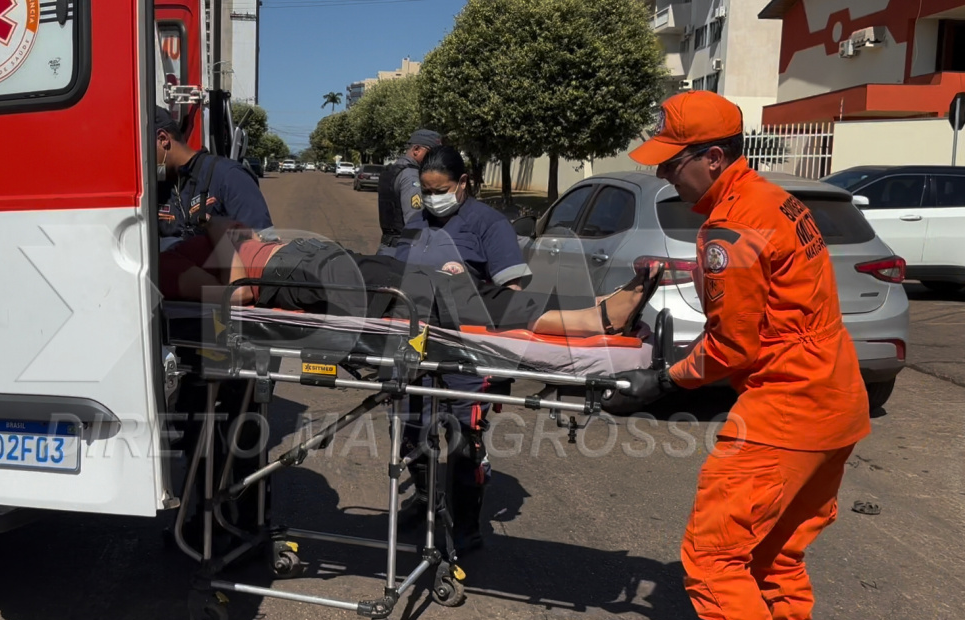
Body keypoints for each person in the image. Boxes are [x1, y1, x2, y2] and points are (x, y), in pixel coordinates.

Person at [611, 91, 871, 620]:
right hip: (836, 403)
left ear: (714, 157)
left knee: (709, 560)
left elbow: (733, 348)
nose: (662, 174)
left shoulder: (730, 230)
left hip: (785, 411)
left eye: (672, 162)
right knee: (777, 554)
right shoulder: (776, 201)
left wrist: (660, 380)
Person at [159, 218, 661, 337]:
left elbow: (229, 236)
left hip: (318, 259)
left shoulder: (192, 238)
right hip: (293, 273)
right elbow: (240, 291)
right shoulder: (167, 262)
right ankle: (595, 318)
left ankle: (591, 307)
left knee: (446, 286)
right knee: (439, 301)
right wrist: (224, 240)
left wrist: (220, 235)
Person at [391, 146, 534, 553]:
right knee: (411, 428)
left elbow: (512, 292)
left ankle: (465, 521)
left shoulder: (487, 224)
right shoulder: (417, 222)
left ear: (463, 183)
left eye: (442, 189)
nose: (434, 197)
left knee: (462, 436)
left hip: (468, 351)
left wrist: (503, 360)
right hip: (417, 343)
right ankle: (424, 498)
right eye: (426, 189)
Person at [154, 105, 276, 550]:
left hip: (235, 334)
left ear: (164, 140)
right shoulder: (160, 186)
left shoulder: (228, 177)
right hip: (185, 336)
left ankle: (242, 534)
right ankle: (198, 528)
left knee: (237, 438)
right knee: (194, 434)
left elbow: (260, 252)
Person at [155, 106, 274, 245]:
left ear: (163, 139)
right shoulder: (154, 190)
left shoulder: (229, 176)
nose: (139, 160)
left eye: (142, 149)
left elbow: (264, 246)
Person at [377, 129, 443, 253]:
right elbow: (414, 221)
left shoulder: (392, 169)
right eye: (432, 153)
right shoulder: (412, 175)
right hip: (403, 251)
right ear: (416, 149)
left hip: (387, 247)